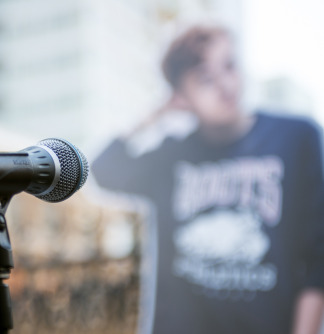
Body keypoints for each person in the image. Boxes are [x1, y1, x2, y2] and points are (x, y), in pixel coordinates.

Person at [92, 25, 324, 334]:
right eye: (205, 79)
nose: (226, 86)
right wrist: (155, 114)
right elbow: (105, 169)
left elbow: (317, 258)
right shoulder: (172, 156)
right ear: (181, 97)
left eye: (229, 66)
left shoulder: (297, 138)